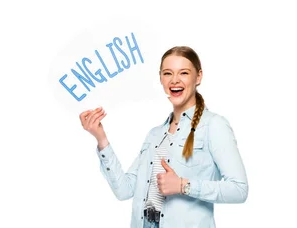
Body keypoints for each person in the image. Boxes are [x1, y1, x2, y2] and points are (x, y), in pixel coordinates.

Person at [79, 46, 248, 228]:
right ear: (160, 77)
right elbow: (124, 190)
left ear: (198, 77)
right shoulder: (155, 135)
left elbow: (239, 189)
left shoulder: (213, 125)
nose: (174, 80)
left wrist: (183, 185)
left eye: (183, 73)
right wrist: (101, 139)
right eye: (168, 73)